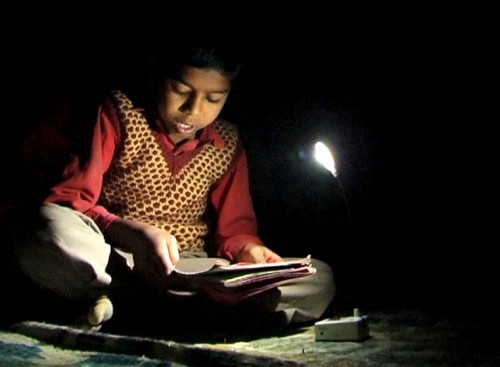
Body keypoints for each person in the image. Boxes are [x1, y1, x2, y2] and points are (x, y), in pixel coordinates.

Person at [5, 41, 335, 335]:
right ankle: (179, 314)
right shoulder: (119, 114)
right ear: (156, 73)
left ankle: (131, 308)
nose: (193, 111)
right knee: (46, 230)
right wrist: (133, 234)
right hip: (119, 259)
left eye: (213, 98)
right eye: (180, 90)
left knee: (318, 277)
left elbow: (235, 231)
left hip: (191, 272)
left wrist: (249, 251)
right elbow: (70, 200)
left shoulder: (227, 144)